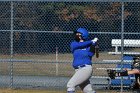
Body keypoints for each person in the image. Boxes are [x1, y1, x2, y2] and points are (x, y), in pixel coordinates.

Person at [67, 28, 98, 93]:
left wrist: (93, 44)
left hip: (86, 69)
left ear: (83, 35)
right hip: (78, 70)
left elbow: (90, 54)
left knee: (70, 85)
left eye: (78, 34)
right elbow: (80, 45)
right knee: (88, 91)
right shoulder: (74, 44)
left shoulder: (89, 46)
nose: (76, 35)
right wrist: (92, 41)